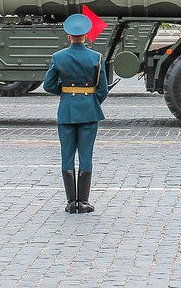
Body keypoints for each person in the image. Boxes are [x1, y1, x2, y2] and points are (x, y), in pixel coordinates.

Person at [44, 13, 108, 214]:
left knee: (67, 155)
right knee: (86, 155)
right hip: (89, 110)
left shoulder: (58, 57)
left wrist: (64, 93)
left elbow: (48, 85)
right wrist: (90, 100)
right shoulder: (96, 57)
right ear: (86, 35)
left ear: (69, 36)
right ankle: (84, 201)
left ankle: (72, 202)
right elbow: (102, 89)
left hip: (66, 111)